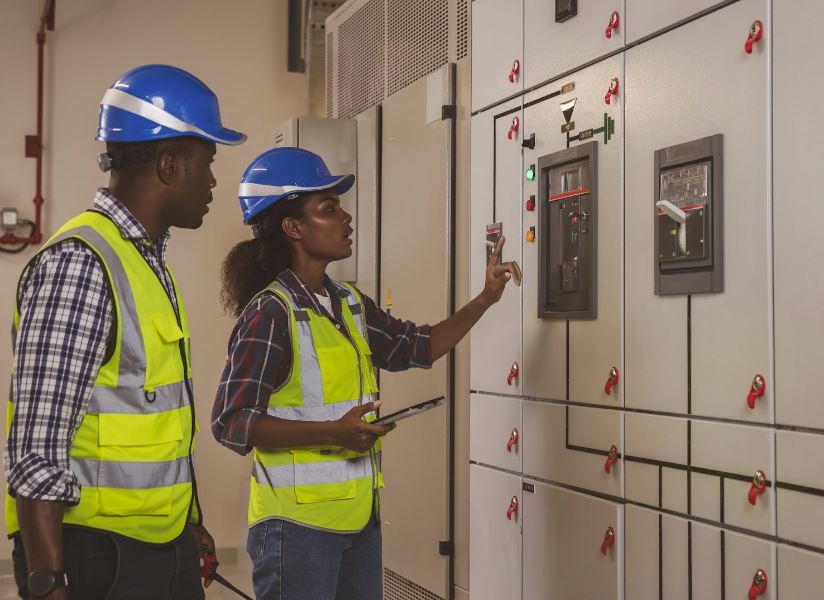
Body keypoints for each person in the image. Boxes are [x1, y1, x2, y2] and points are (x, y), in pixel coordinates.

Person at [212, 147, 519, 600]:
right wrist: (334, 432)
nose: (346, 218)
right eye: (330, 209)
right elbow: (231, 421)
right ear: (293, 227)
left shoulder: (350, 303)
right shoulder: (270, 313)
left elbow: (417, 347)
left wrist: (485, 298)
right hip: (296, 530)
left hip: (359, 522)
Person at [4, 64, 246, 600]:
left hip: (156, 545)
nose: (211, 182)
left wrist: (187, 526)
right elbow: (37, 446)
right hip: (98, 556)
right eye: (206, 163)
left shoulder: (145, 262)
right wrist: (47, 584)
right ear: (167, 164)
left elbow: (153, 419)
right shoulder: (82, 264)